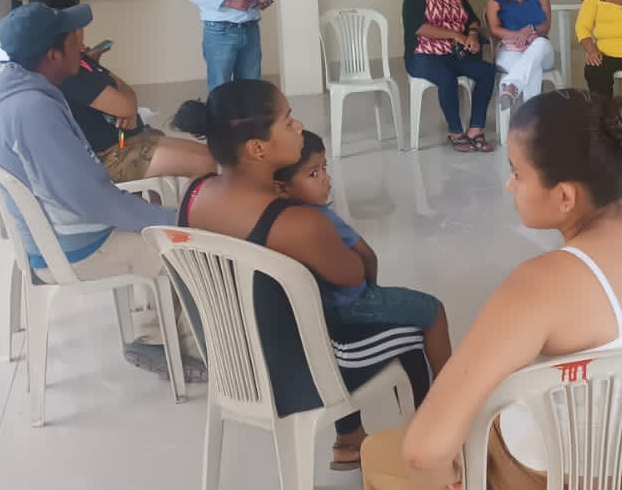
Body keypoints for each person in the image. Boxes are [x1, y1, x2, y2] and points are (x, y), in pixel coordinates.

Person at [361, 91, 622, 490]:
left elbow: (424, 453)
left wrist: (455, 472)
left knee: (378, 455)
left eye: (517, 172)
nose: (509, 184)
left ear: (565, 196)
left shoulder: (542, 284)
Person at [173, 91, 447, 470]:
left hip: (234, 369)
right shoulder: (298, 223)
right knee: (417, 329)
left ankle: (351, 439)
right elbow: (355, 274)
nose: (299, 126)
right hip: (297, 379)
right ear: (257, 148)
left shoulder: (194, 193)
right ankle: (439, 441)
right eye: (288, 121)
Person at [0, 1, 202, 380]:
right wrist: (177, 220)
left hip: (49, 232)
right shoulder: (33, 110)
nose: (81, 47)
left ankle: (164, 327)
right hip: (74, 246)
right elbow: (95, 201)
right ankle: (178, 346)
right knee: (196, 247)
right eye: (73, 40)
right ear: (52, 55)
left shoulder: (3, 84)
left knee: (170, 224)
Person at [19, 0, 216, 183]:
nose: (81, 32)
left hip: (121, 141)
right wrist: (127, 106)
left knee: (188, 150)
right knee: (205, 160)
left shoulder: (74, 60)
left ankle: (155, 201)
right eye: (76, 27)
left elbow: (126, 98)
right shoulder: (67, 72)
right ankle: (193, 204)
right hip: (107, 156)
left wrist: (125, 103)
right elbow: (127, 103)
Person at [403, 0, 498, 153]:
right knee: (446, 77)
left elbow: (472, 19)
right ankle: (455, 131)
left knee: (487, 71)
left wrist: (471, 34)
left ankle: (475, 128)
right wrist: (455, 35)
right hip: (424, 56)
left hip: (455, 55)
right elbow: (418, 27)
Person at [484, 0, 554, 110]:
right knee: (533, 69)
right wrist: (518, 35)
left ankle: (510, 86)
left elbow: (546, 26)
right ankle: (531, 120)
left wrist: (529, 30)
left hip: (539, 49)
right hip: (510, 49)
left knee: (542, 44)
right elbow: (494, 29)